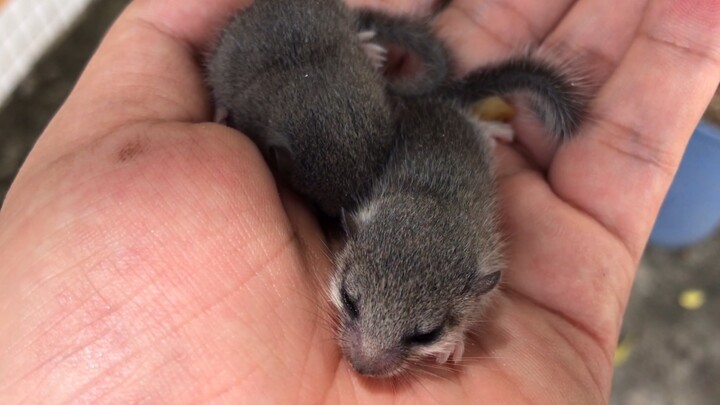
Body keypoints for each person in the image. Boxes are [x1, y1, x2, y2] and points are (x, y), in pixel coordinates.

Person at [0, 0, 718, 402]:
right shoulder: (372, 205)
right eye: (351, 306)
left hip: (439, 137)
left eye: (416, 337)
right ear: (355, 229)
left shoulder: (458, 264)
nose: (370, 358)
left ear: (476, 293)